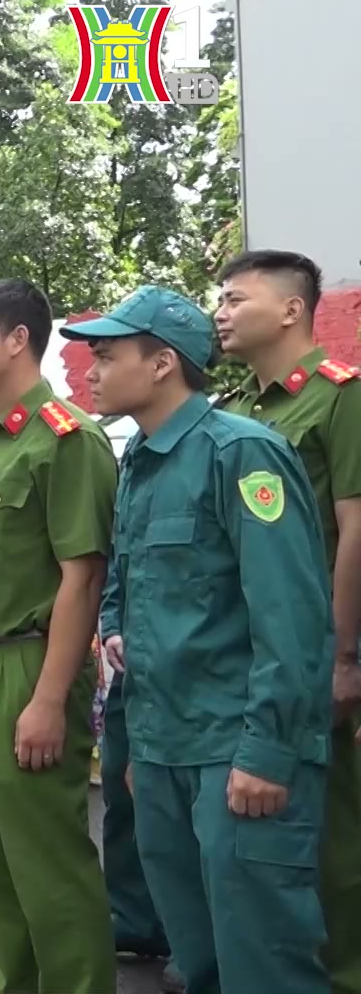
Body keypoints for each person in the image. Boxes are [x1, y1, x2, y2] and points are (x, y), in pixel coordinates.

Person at [68, 286, 333, 994]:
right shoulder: (144, 461)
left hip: (235, 749)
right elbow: (126, 580)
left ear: (162, 364)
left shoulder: (241, 455)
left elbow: (292, 618)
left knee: (264, 959)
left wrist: (268, 751)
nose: (89, 370)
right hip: (161, 747)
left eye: (107, 355)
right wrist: (135, 743)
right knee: (197, 955)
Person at [0, 278, 116, 994]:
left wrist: (47, 698)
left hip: (28, 664)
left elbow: (82, 580)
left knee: (48, 861)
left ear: (17, 340)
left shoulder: (68, 440)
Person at [213, 249, 361, 994]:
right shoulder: (238, 411)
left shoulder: (340, 398)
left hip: (312, 651)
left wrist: (339, 655)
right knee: (263, 841)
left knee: (333, 834)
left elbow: (354, 530)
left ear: (293, 309)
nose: (222, 311)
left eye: (237, 298)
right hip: (245, 654)